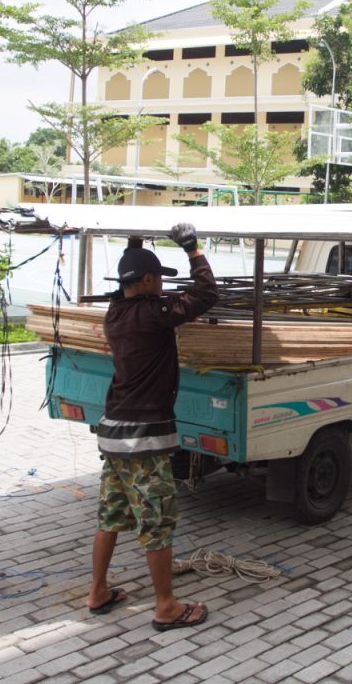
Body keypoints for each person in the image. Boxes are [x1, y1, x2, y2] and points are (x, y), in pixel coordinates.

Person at [86, 223, 219, 631]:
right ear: (146, 281)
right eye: (159, 278)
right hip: (144, 439)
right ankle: (166, 607)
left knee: (111, 515)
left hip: (114, 434)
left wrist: (134, 243)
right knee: (157, 521)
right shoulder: (152, 313)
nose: (163, 286)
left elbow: (130, 289)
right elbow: (207, 296)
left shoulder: (117, 311)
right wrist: (193, 250)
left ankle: (98, 591)